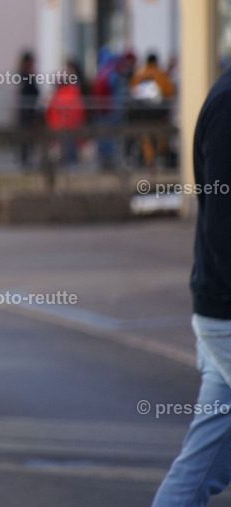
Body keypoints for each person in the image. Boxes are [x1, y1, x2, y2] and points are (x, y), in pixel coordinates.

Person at [152, 64, 231, 506]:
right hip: (226, 311)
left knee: (201, 467)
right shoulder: (228, 105)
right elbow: (224, 228)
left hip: (220, 311)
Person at [45, 61, 87, 165]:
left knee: (60, 156)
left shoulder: (57, 95)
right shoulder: (74, 93)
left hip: (58, 129)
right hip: (72, 128)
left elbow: (49, 112)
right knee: (71, 155)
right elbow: (81, 111)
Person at [15, 49, 40, 168]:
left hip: (30, 111)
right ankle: (24, 163)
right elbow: (30, 92)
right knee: (25, 139)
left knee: (30, 139)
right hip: (26, 113)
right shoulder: (24, 77)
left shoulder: (27, 76)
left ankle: (27, 161)